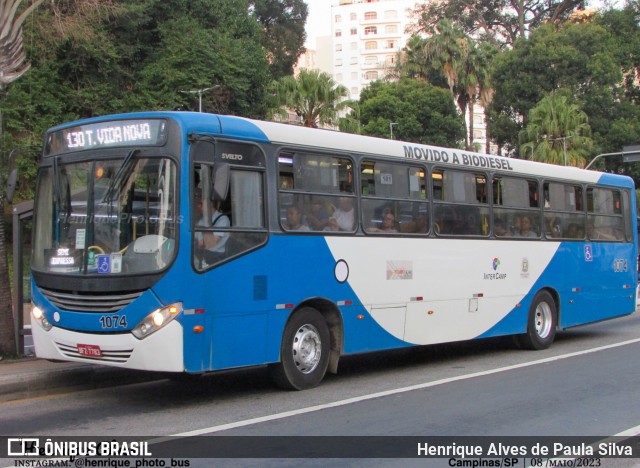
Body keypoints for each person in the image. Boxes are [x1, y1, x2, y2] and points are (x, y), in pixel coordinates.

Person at [195, 190, 230, 262]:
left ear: (209, 204)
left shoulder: (222, 219)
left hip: (215, 255)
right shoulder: (202, 219)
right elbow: (195, 236)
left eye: (201, 204)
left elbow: (210, 242)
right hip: (202, 252)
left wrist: (194, 242)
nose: (198, 206)